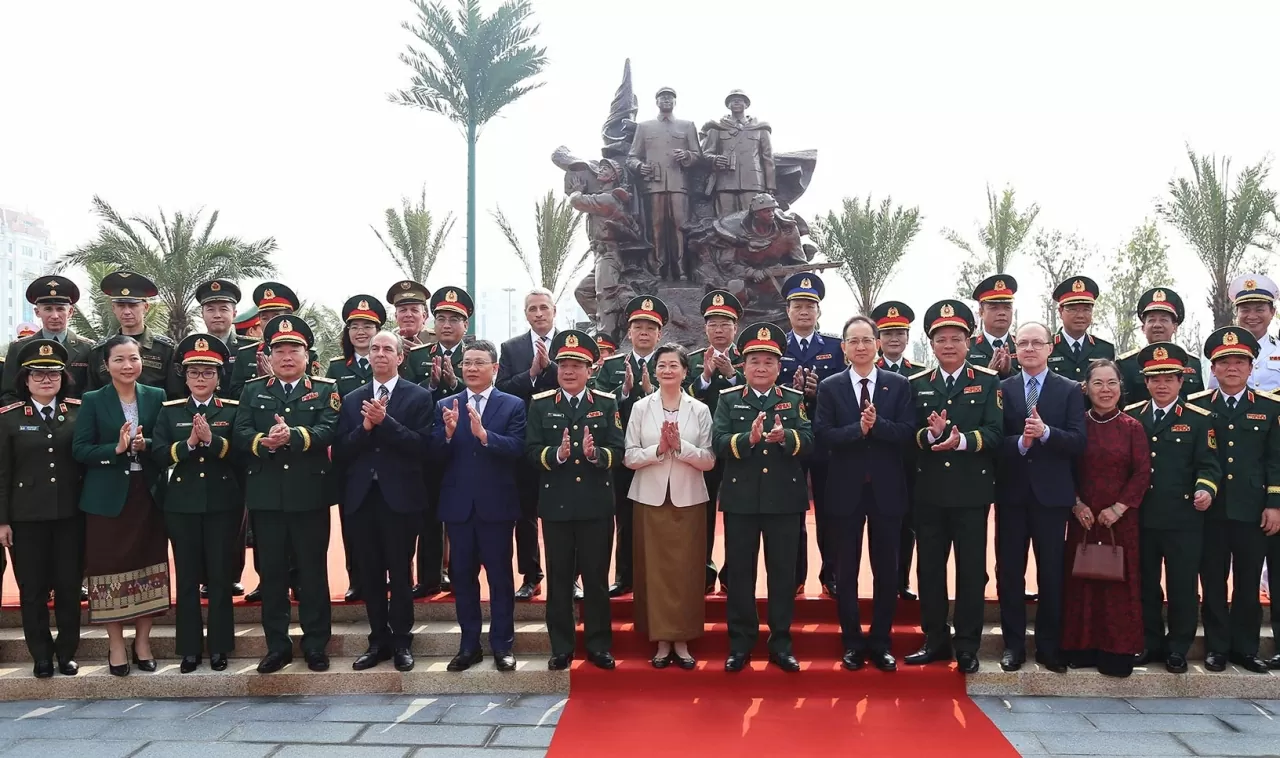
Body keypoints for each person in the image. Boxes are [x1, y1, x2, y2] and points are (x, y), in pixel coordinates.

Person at [234, 315, 340, 674]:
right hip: (267, 497)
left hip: (309, 494)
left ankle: (315, 645)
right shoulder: (253, 389)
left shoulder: (326, 388)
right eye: (279, 350)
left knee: (313, 572)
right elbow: (240, 432)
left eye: (294, 349)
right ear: (269, 356)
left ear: (307, 355)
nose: (287, 356)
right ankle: (276, 647)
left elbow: (328, 429)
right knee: (273, 575)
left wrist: (293, 436)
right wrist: (263, 443)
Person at [904, 300, 1002, 674]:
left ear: (968, 342)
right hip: (929, 493)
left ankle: (967, 645)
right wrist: (929, 436)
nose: (948, 345)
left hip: (970, 494)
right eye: (941, 339)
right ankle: (934, 639)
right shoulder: (918, 385)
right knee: (929, 568)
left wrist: (961, 440)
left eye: (956, 338)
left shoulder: (987, 381)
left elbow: (995, 433)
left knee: (971, 569)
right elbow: (907, 435)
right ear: (931, 344)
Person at [814, 315, 914, 672]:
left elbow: (906, 432)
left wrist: (878, 426)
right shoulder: (831, 387)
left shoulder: (898, 385)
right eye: (853, 341)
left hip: (887, 490)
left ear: (877, 345)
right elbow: (823, 434)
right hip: (845, 489)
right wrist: (858, 429)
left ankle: (882, 641)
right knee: (847, 570)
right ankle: (853, 642)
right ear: (843, 348)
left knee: (887, 570)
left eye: (866, 340)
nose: (860, 347)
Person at [714, 322, 812, 673]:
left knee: (782, 575)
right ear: (743, 365)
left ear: (778, 366)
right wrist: (749, 440)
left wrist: (786, 437)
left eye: (768, 362)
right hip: (741, 501)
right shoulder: (728, 400)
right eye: (754, 360)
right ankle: (740, 644)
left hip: (784, 501)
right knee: (740, 575)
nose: (761, 367)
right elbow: (719, 443)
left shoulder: (794, 400)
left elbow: (809, 442)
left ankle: (781, 643)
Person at [333, 331, 433, 673]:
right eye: (374, 349)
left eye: (387, 349)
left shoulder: (419, 397)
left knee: (400, 574)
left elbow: (422, 447)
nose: (379, 354)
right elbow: (342, 451)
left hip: (401, 499)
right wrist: (364, 427)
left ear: (400, 357)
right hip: (362, 499)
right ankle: (378, 640)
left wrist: (384, 422)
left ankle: (403, 641)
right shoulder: (351, 398)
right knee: (371, 573)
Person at [72, 334, 169, 676]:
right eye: (119, 360)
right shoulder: (93, 400)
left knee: (148, 567)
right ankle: (116, 644)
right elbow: (80, 450)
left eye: (134, 359)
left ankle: (143, 642)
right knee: (108, 570)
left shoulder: (156, 396)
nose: (128, 366)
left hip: (148, 495)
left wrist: (147, 444)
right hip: (107, 499)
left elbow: (166, 444)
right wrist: (114, 449)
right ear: (106, 365)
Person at [528, 330, 624, 671]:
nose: (569, 371)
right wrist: (556, 454)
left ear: (590, 369)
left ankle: (598, 645)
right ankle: (562, 646)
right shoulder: (541, 404)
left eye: (577, 365)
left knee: (596, 579)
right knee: (559, 578)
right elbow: (530, 451)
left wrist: (596, 454)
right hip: (557, 506)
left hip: (596, 506)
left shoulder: (606, 402)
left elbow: (619, 449)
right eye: (564, 365)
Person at [995, 322, 1087, 673]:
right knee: (1010, 572)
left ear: (1051, 347)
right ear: (1014, 349)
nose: (1030, 349)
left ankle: (1049, 647)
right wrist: (1021, 442)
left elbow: (1079, 441)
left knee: (1051, 572)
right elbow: (993, 440)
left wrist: (1047, 433)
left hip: (1052, 497)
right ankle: (1013, 645)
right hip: (1012, 494)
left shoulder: (1068, 390)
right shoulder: (1001, 389)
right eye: (1023, 343)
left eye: (1037, 343)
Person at [1188, 327, 1280, 674]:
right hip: (1209, 512)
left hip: (1252, 511)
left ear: (1251, 367)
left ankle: (1245, 648)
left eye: (1240, 361)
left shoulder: (1271, 409)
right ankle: (1216, 648)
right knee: (1212, 581)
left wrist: (1274, 504)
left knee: (1247, 583)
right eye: (1224, 362)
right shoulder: (1196, 406)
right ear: (1213, 368)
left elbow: (1275, 460)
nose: (1232, 368)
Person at [431, 340, 526, 673]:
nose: (471, 368)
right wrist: (446, 433)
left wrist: (485, 436)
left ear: (495, 368)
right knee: (462, 578)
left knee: (500, 578)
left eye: (479, 362)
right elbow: (432, 455)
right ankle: (468, 645)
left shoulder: (512, 405)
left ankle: (502, 646)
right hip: (458, 507)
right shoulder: (446, 404)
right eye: (466, 363)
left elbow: (517, 448)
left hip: (496, 506)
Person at [1125, 342, 1220, 673]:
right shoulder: (1133, 417)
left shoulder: (1198, 419)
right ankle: (1150, 642)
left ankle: (1179, 646)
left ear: (1182, 381)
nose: (1162, 385)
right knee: (1146, 584)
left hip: (1183, 519)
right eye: (1155, 379)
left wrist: (1205, 490)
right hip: (1143, 517)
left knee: (1182, 585)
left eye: (1169, 378)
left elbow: (1208, 465)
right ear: (1146, 382)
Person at [152, 333, 240, 674]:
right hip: (182, 504)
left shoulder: (231, 410)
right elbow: (159, 454)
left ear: (218, 377)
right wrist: (188, 444)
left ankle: (219, 647)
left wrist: (212, 440)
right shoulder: (170, 412)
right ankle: (189, 649)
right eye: (194, 372)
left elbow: (242, 453)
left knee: (219, 577)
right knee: (187, 578)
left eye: (207, 372)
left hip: (221, 503)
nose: (200, 379)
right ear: (184, 377)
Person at [626, 343, 716, 669]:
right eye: (662, 365)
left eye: (673, 365)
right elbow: (629, 456)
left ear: (684, 371)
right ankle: (662, 641)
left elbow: (708, 460)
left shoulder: (700, 410)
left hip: (689, 498)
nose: (667, 370)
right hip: (649, 498)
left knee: (687, 571)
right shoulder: (640, 408)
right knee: (655, 570)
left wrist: (682, 447)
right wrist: (660, 449)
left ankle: (683, 639)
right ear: (654, 371)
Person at [1062, 360, 1150, 677]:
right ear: (1086, 389)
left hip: (1120, 521)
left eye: (1111, 383)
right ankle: (1081, 647)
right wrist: (1076, 504)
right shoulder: (1076, 426)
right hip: (1082, 518)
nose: (1105, 390)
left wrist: (1119, 508)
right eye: (1097, 383)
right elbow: (1064, 469)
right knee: (1082, 580)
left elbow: (1142, 474)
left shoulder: (1132, 427)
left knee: (1117, 585)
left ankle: (1117, 651)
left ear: (1120, 388)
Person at [0, 339, 83, 677]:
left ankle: (66, 652)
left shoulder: (77, 412)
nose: (46, 380)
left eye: (53, 374)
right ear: (25, 379)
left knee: (68, 586)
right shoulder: (9, 418)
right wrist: (2, 520)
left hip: (70, 516)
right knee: (32, 590)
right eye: (38, 374)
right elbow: (2, 472)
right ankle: (41, 655)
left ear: (63, 377)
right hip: (26, 518)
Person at [592, 295, 670, 596]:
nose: (644, 333)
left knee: (661, 517)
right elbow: (598, 404)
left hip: (661, 453)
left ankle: (659, 576)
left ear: (659, 334)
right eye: (638, 326)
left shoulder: (670, 363)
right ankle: (624, 576)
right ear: (629, 331)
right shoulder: (612, 366)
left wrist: (654, 392)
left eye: (651, 328)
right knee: (624, 517)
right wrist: (622, 392)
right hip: (625, 454)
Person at [778, 272, 842, 597]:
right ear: (787, 310)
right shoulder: (776, 346)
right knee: (792, 509)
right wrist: (792, 393)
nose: (804, 312)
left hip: (824, 440)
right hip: (788, 439)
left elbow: (845, 394)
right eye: (797, 305)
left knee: (830, 510)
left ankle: (831, 573)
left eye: (810, 306)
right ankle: (795, 574)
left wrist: (821, 394)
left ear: (818, 311)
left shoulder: (835, 346)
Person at [495, 288, 559, 600]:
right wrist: (532, 373)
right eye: (532, 308)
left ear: (554, 310)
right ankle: (531, 575)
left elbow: (582, 379)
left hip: (563, 441)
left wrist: (551, 368)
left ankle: (568, 577)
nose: (538, 313)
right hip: (525, 441)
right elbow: (503, 388)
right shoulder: (512, 348)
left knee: (564, 513)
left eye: (543, 307)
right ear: (525, 313)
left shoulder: (570, 343)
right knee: (525, 514)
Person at [412, 285, 473, 598]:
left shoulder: (476, 355)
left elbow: (486, 393)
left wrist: (455, 382)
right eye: (441, 318)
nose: (447, 324)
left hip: (467, 447)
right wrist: (432, 385)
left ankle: (458, 572)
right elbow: (407, 397)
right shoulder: (417, 356)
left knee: (462, 513)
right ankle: (429, 576)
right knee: (429, 514)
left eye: (454, 318)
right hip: (431, 447)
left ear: (466, 324)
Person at [327, 295, 387, 603]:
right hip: (352, 454)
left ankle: (388, 575)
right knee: (353, 521)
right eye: (354, 327)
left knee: (390, 520)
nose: (361, 332)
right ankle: (356, 578)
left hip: (387, 452)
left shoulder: (388, 364)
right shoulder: (337, 369)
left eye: (367, 326)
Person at [685, 290, 744, 594]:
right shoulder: (695, 360)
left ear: (735, 328)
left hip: (738, 448)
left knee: (736, 513)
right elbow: (682, 400)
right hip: (703, 448)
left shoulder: (748, 358)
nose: (719, 330)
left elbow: (757, 395)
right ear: (705, 328)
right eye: (713, 324)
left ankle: (733, 572)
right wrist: (705, 378)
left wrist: (733, 375)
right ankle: (704, 570)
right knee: (703, 512)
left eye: (725, 324)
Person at [194, 279, 247, 598]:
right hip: (199, 433)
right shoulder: (188, 346)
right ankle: (204, 575)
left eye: (223, 308)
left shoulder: (248, 348)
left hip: (236, 433)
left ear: (234, 312)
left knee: (236, 509)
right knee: (201, 506)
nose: (217, 314)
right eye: (211, 309)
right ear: (202, 313)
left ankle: (232, 573)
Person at [870, 300, 919, 600]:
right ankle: (881, 584)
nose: (894, 339)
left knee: (906, 526)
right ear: (878, 340)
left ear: (908, 337)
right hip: (874, 460)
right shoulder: (867, 373)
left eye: (899, 333)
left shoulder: (919, 374)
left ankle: (902, 579)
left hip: (908, 462)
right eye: (887, 334)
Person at [2, 275, 95, 404]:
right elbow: (9, 393)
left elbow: (93, 390)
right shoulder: (18, 348)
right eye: (48, 309)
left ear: (71, 312)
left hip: (77, 420)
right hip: (30, 420)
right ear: (37, 312)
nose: (55, 316)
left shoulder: (88, 348)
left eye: (60, 309)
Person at [85, 272, 181, 397]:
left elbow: (176, 395)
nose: (126, 312)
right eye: (120, 306)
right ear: (113, 308)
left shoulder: (166, 349)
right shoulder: (99, 351)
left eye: (133, 305)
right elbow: (92, 393)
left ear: (146, 307)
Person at [226, 282, 319, 400]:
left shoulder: (309, 354)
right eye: (264, 318)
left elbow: (314, 394)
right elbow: (235, 393)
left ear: (288, 319)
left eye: (275, 316)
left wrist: (275, 380)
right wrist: (261, 384)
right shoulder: (245, 354)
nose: (270, 322)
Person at [1117, 288, 1205, 403]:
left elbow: (1199, 406)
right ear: (1143, 328)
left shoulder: (1192, 363)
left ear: (1175, 327)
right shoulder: (1126, 364)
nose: (1157, 325)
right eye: (1151, 320)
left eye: (1163, 320)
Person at [1211, 275, 1280, 392]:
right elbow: (1212, 394)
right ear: (1236, 313)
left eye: (1259, 310)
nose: (1252, 316)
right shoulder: (1220, 350)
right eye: (1245, 310)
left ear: (1272, 312)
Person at [1047, 277, 1114, 381]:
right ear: (1060, 312)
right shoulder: (1046, 347)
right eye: (1073, 309)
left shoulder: (1105, 349)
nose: (1080, 315)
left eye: (1086, 309)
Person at [967, 274, 1020, 378]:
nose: (1002, 313)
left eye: (1007, 307)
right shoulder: (968, 348)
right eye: (994, 307)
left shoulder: (1022, 346)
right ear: (981, 312)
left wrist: (1008, 372)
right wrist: (988, 374)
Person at [386, 279, 436, 351]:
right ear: (396, 317)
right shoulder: (388, 341)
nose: (408, 315)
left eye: (414, 310)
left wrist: (424, 354)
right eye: (403, 310)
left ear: (424, 316)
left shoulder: (438, 341)